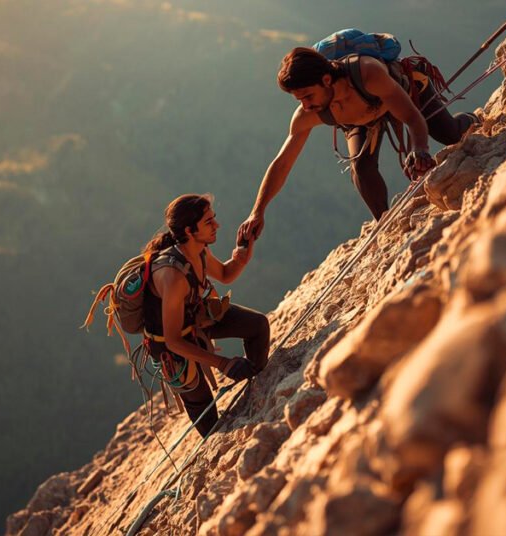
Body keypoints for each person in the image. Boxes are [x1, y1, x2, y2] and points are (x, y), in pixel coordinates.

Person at [239, 46, 480, 242]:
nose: (305, 106)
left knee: (449, 134)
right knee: (362, 168)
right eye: (299, 100)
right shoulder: (308, 114)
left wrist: (420, 150)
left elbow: (411, 117)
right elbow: (282, 163)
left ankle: (472, 119)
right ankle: (386, 223)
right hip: (362, 120)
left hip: (405, 91)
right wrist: (257, 212)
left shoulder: (368, 73)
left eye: (308, 96)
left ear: (326, 80)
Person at [142, 194, 270, 437]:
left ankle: (256, 380)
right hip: (170, 346)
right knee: (206, 415)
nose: (217, 225)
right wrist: (223, 363)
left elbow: (224, 274)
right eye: (209, 222)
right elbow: (173, 341)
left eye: (214, 218)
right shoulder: (173, 276)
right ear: (189, 231)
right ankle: (215, 436)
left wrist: (242, 254)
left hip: (195, 319)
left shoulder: (199, 251)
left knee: (258, 325)